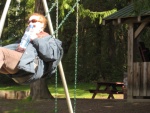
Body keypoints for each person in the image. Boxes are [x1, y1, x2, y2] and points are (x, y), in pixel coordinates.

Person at [0, 13, 62, 84]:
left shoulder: (49, 39)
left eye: (33, 21)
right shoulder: (24, 39)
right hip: (18, 68)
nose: (30, 23)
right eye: (29, 22)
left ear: (42, 25)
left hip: (31, 67)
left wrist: (35, 39)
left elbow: (51, 55)